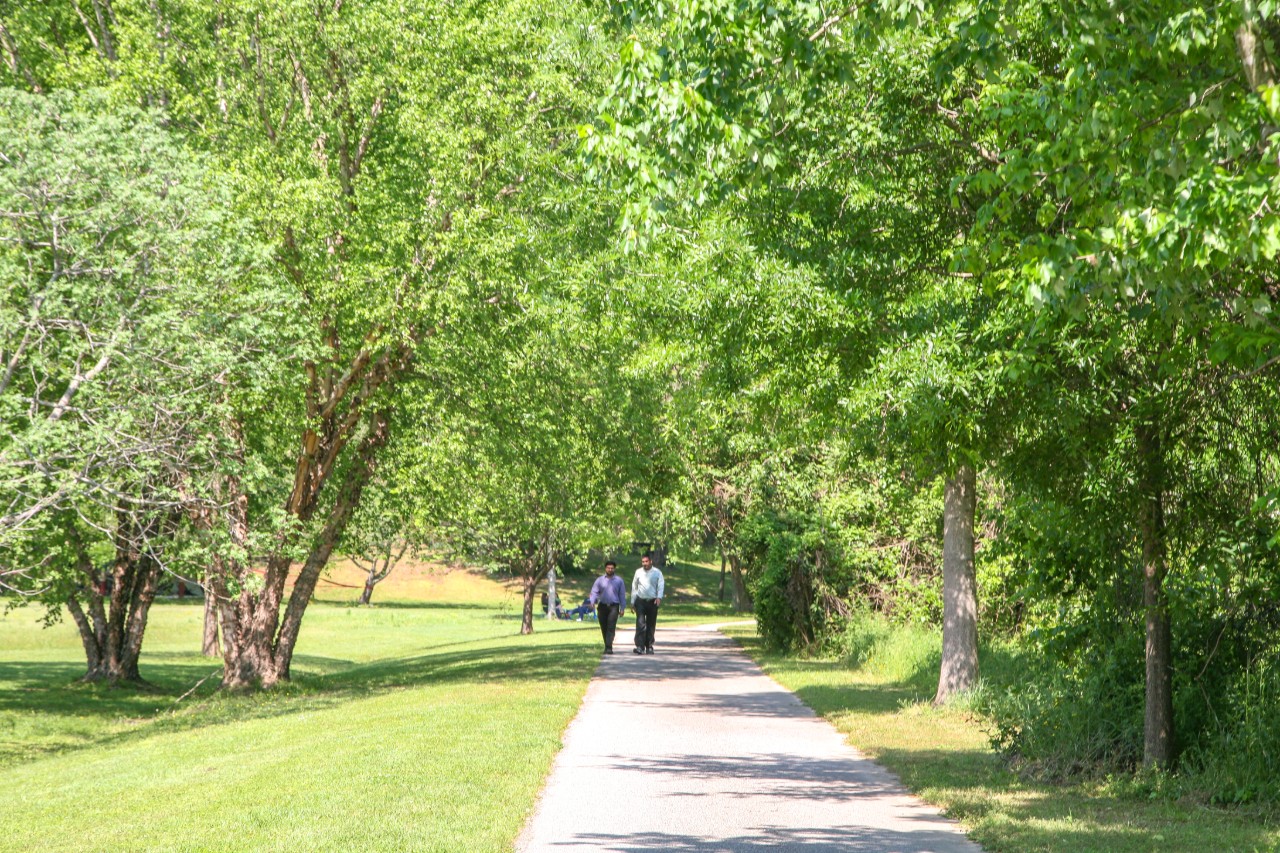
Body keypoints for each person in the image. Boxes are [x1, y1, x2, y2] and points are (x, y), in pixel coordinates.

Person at [588, 560, 626, 653]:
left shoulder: (619, 581)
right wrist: (592, 602)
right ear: (605, 569)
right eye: (608, 568)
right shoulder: (599, 580)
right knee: (603, 627)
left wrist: (622, 608)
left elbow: (622, 595)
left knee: (611, 627)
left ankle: (609, 648)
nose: (610, 569)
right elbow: (594, 592)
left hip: (614, 606)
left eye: (612, 568)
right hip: (602, 606)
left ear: (614, 569)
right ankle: (607, 645)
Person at [631, 553, 664, 655]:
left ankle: (649, 646)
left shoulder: (657, 572)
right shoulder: (638, 572)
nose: (644, 564)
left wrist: (659, 597)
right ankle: (640, 646)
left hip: (652, 601)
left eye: (646, 561)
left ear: (651, 562)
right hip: (640, 601)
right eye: (643, 562)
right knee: (640, 624)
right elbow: (634, 587)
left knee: (651, 624)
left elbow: (661, 585)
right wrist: (632, 602)